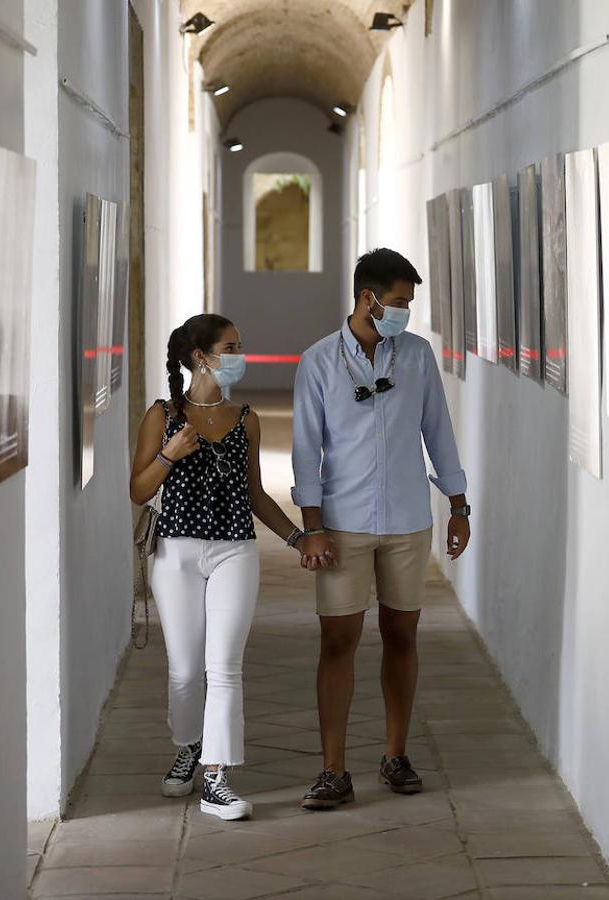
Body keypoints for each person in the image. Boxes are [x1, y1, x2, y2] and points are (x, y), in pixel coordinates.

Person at [292, 248, 471, 811]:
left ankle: (395, 754)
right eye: (398, 303)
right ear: (367, 298)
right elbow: (304, 450)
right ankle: (333, 768)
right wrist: (311, 528)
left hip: (407, 521)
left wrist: (459, 503)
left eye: (408, 305)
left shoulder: (416, 357)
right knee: (338, 641)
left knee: (402, 635)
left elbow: (437, 430)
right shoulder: (319, 362)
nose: (404, 313)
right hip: (342, 524)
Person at [129, 313, 312, 821]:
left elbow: (255, 493)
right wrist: (170, 453)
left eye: (240, 345)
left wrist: (297, 536)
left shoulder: (246, 418)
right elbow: (138, 490)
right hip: (177, 555)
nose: (239, 355)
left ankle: (217, 776)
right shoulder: (163, 416)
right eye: (230, 347)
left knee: (224, 667)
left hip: (235, 551)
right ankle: (188, 746)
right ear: (201, 358)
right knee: (186, 671)